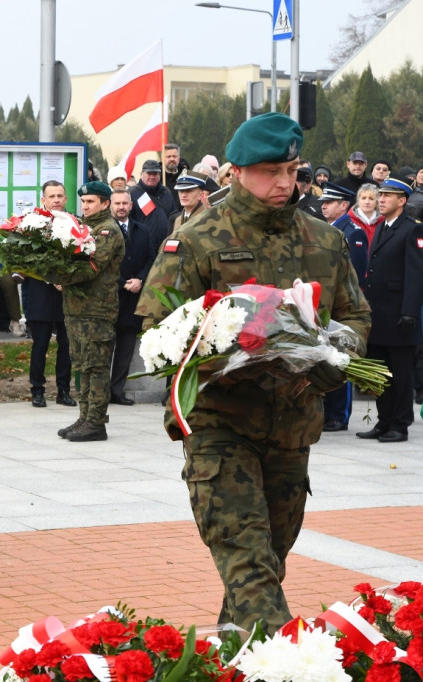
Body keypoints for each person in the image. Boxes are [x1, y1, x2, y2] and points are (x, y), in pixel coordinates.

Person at [136, 112, 371, 629]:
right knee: (249, 566)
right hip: (221, 427)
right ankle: (293, 659)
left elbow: (354, 313)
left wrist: (337, 356)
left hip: (293, 429)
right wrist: (223, 351)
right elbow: (155, 332)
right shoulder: (197, 239)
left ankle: (233, 655)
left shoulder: (325, 241)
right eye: (271, 171)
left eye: (292, 170)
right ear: (238, 171)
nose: (284, 183)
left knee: (267, 565)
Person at [49, 181, 125, 443]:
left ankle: (96, 422)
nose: (85, 206)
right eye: (83, 202)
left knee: (96, 366)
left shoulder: (108, 232)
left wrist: (56, 274)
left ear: (105, 203)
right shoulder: (85, 228)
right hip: (76, 309)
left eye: (91, 202)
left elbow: (90, 267)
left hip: (97, 311)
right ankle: (85, 416)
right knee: (81, 365)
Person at [357, 178, 423, 444]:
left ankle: (400, 424)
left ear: (402, 201)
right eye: (381, 195)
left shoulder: (412, 231)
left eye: (389, 195)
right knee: (380, 372)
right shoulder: (382, 228)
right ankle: (384, 420)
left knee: (400, 373)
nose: (382, 199)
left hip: (400, 316)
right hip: (379, 315)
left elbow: (417, 274)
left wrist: (409, 311)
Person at [318, 182, 368, 433]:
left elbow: (355, 275)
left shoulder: (353, 232)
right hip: (322, 305)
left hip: (341, 306)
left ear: (344, 205)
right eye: (324, 202)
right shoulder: (323, 230)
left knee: (340, 358)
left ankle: (339, 415)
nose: (324, 205)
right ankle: (327, 412)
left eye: (330, 202)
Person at [110, 187, 164, 406]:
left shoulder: (142, 230)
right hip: (111, 297)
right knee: (105, 349)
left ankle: (117, 390)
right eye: (117, 203)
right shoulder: (103, 230)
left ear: (131, 206)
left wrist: (140, 279)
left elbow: (151, 259)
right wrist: (123, 283)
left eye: (125, 203)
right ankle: (100, 392)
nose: (121, 207)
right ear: (110, 205)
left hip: (134, 299)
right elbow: (104, 264)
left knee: (126, 347)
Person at [25, 181, 76, 408]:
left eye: (60, 196)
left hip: (66, 295)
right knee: (40, 345)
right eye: (51, 196)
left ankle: (63, 390)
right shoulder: (31, 225)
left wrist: (67, 280)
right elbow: (26, 259)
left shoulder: (75, 223)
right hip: (41, 295)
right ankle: (37, 390)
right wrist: (52, 278)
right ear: (43, 200)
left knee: (66, 346)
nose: (56, 200)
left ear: (66, 199)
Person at [129, 159, 176, 224]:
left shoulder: (166, 192)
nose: (152, 177)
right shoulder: (132, 193)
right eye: (149, 173)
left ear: (159, 175)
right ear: (141, 174)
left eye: (155, 174)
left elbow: (174, 216)